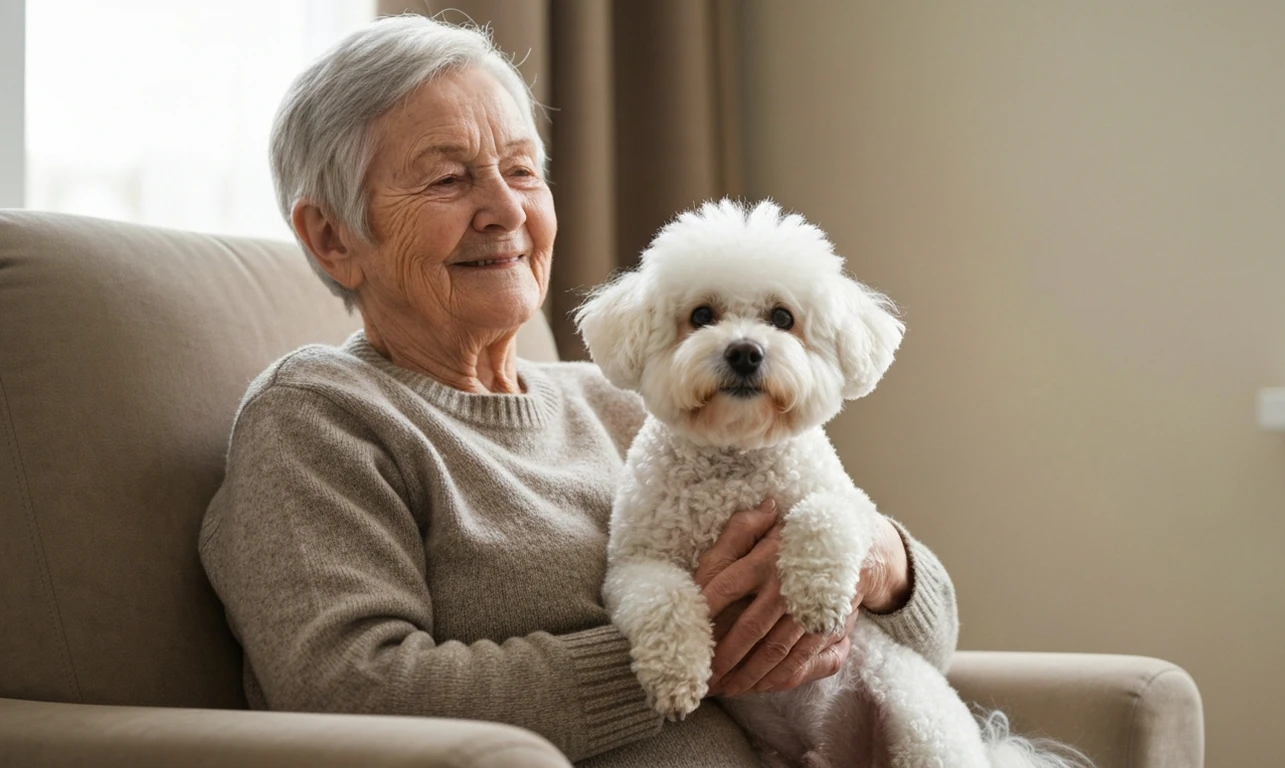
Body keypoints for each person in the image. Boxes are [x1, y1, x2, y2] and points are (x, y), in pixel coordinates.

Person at [198, 14, 958, 766]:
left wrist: (879, 561)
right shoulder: (319, 420)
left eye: (523, 170)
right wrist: (675, 658)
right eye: (449, 178)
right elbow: (352, 693)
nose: (507, 211)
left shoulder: (632, 399)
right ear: (332, 237)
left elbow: (932, 639)